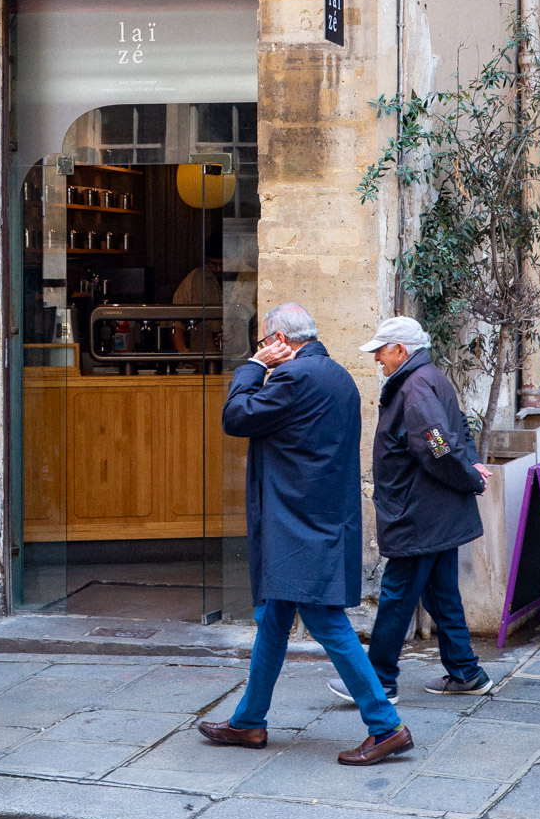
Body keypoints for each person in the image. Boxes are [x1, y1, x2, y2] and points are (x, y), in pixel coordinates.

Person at [198, 301, 413, 767]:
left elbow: (235, 418)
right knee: (274, 622)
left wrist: (253, 367)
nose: (262, 350)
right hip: (317, 520)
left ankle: (385, 725)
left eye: (264, 342)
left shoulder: (295, 378)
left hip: (299, 525)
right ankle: (249, 721)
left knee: (327, 623)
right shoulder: (336, 373)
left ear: (280, 341)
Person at [327, 316, 492, 707]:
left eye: (381, 352)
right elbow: (457, 433)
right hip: (434, 512)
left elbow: (438, 446)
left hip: (419, 515)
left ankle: (378, 681)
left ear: (400, 350)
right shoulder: (427, 378)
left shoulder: (415, 389)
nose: (377, 360)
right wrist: (470, 466)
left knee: (397, 595)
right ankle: (466, 672)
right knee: (441, 593)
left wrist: (469, 474)